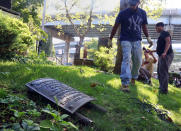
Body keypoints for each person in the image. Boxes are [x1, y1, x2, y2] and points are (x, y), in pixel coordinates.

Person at [109, 0, 153, 92]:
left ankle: (133, 77)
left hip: (137, 40)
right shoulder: (122, 13)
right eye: (131, 5)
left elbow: (144, 26)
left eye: (134, 5)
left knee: (138, 60)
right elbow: (116, 26)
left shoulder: (142, 13)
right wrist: (110, 38)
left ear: (138, 3)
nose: (132, 6)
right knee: (127, 59)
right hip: (125, 39)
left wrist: (148, 37)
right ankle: (125, 83)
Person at [151, 22, 174, 94]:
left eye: (157, 27)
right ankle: (161, 86)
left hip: (166, 55)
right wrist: (151, 51)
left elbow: (168, 42)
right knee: (159, 71)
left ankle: (164, 90)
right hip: (162, 55)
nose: (156, 29)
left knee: (163, 72)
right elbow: (160, 48)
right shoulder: (161, 35)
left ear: (161, 27)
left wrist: (165, 52)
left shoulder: (165, 33)